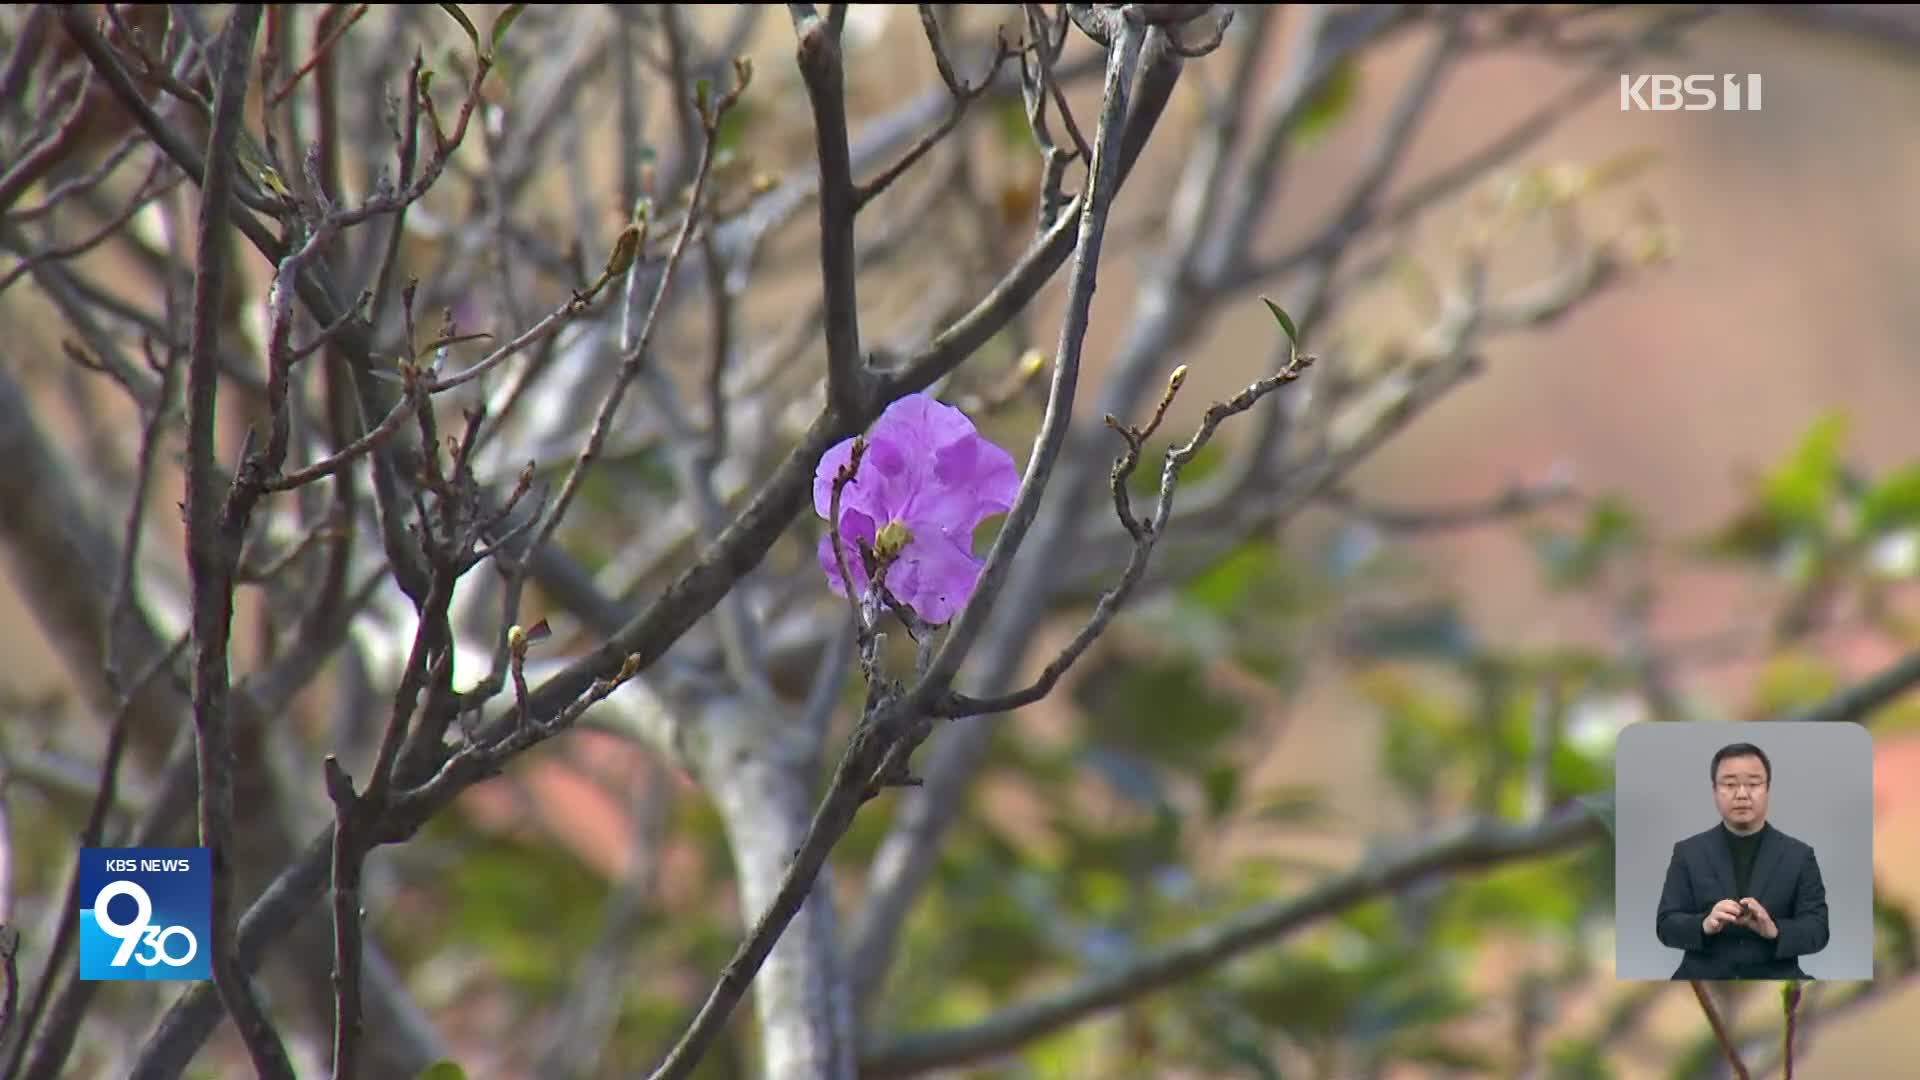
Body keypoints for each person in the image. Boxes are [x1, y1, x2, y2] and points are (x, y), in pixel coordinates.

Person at [1654, 742, 1830, 980]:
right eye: (1729, 784)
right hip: (1703, 979)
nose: (1742, 794)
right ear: (1714, 790)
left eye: (1754, 784)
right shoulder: (1688, 852)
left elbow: (1818, 930)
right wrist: (1704, 924)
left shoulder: (1799, 855)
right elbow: (1665, 925)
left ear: (1768, 788)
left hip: (1775, 977)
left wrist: (1775, 930)